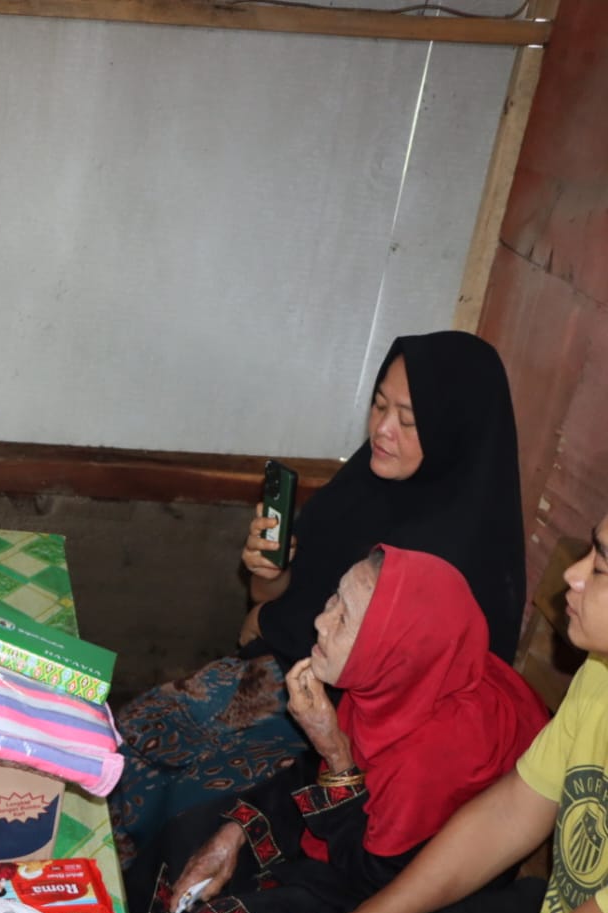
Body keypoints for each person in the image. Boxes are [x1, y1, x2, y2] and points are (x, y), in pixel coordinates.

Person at [109, 331, 526, 862]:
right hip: (272, 677)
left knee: (182, 810)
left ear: (455, 429)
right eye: (378, 405)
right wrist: (268, 575)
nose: (382, 429)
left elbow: (399, 713)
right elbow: (283, 598)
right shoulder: (367, 483)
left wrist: (271, 619)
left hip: (330, 737)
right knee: (127, 735)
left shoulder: (458, 558)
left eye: (409, 419)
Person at [124, 546, 546, 913]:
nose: (321, 621)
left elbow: (374, 878)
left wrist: (334, 752)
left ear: (393, 647)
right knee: (189, 840)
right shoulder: (395, 683)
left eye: (345, 616)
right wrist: (237, 830)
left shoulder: (435, 756)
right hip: (351, 826)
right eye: (334, 600)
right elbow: (311, 776)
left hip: (390, 888)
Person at [253, 517, 608, 913]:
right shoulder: (601, 674)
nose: (574, 577)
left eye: (602, 566)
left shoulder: (438, 748)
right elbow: (511, 813)